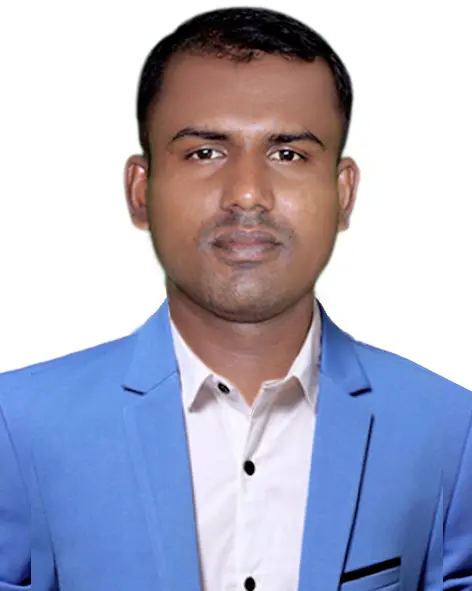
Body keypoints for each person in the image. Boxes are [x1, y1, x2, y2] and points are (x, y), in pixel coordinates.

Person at [0, 7, 471, 591]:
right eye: (205, 152)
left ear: (343, 192)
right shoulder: (18, 425)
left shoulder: (451, 430)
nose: (247, 194)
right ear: (141, 191)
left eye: (288, 154)